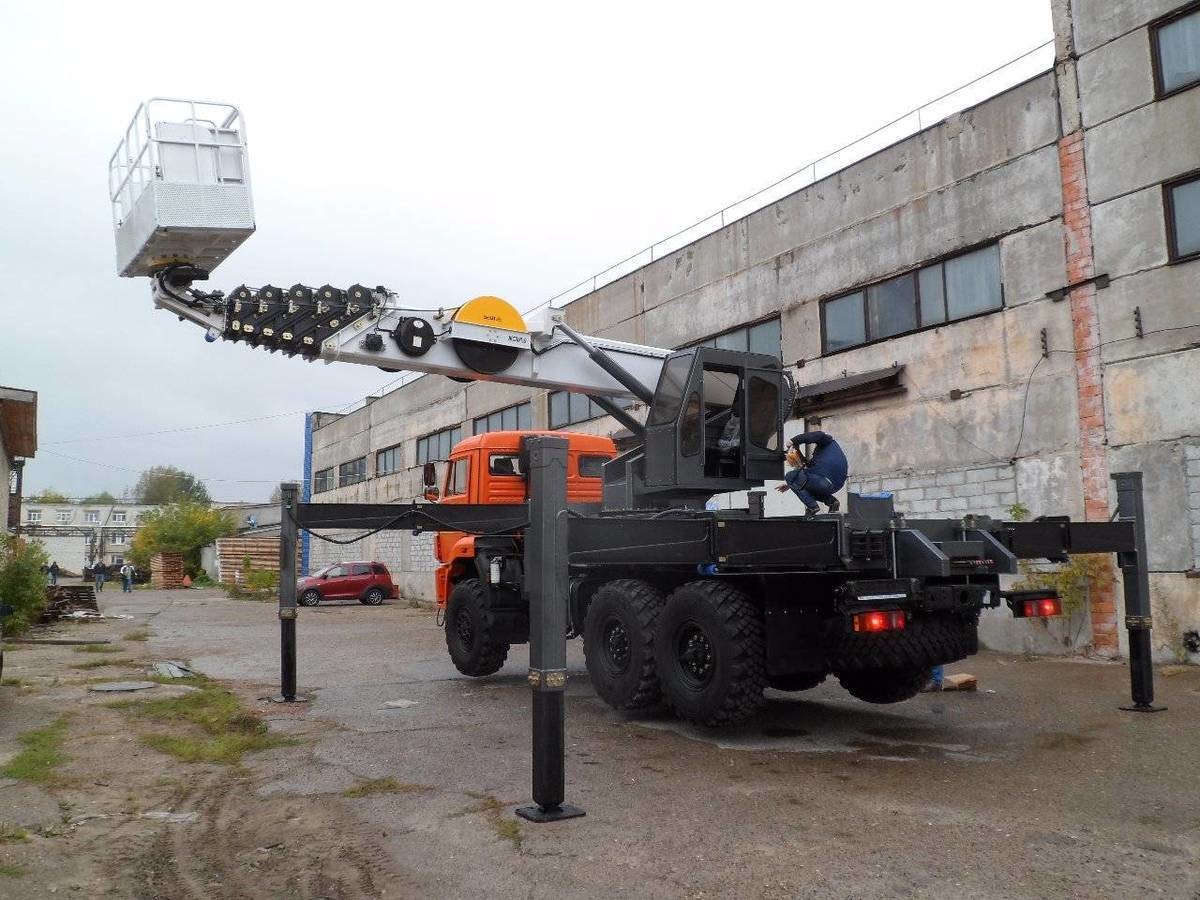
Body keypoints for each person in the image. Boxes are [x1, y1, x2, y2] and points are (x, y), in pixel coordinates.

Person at [775, 430, 848, 516]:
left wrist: (793, 441)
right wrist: (790, 485)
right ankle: (832, 502)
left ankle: (812, 507)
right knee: (803, 487)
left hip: (824, 481)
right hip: (834, 485)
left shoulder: (826, 440)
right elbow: (807, 474)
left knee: (789, 476)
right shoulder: (827, 454)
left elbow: (818, 435)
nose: (813, 453)